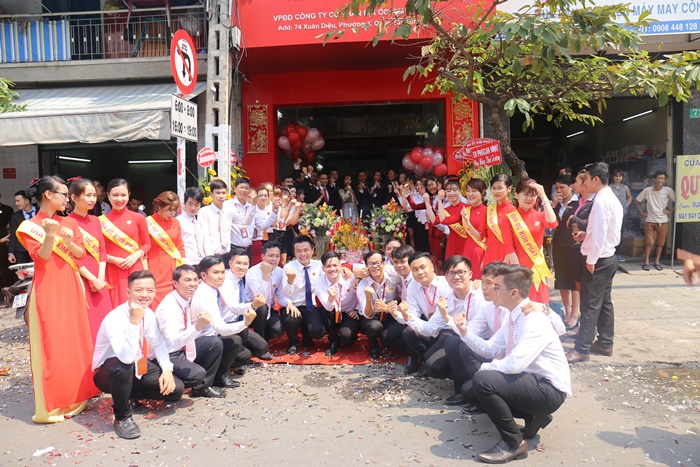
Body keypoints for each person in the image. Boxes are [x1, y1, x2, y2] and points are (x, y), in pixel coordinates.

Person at [452, 264, 571, 463]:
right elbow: (491, 348)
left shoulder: (533, 319)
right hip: (531, 381)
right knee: (472, 389)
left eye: (497, 287)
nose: (492, 290)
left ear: (514, 292)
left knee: (483, 381)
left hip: (549, 390)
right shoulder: (513, 315)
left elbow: (514, 364)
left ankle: (514, 443)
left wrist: (483, 369)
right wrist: (464, 332)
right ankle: (534, 418)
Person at [15, 176, 99, 423]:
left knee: (74, 340)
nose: (66, 199)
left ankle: (77, 396)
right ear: (48, 195)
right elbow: (40, 259)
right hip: (48, 289)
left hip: (71, 285)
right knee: (52, 343)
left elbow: (80, 254)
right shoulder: (30, 226)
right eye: (62, 194)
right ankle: (53, 404)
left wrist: (69, 242)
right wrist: (50, 236)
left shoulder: (69, 222)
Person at [92, 270, 184, 439]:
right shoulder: (115, 318)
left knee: (176, 390)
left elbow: (158, 343)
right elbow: (126, 357)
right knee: (123, 367)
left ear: (155, 292)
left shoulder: (148, 314)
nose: (144, 295)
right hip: (109, 372)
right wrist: (134, 321)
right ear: (128, 292)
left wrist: (167, 370)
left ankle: (129, 395)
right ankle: (122, 417)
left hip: (137, 364)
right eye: (139, 290)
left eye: (150, 290)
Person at [567, 162, 623, 364]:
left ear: (596, 179)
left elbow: (599, 234)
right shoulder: (610, 197)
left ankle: (581, 349)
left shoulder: (600, 201)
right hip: (608, 256)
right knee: (604, 303)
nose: (585, 183)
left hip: (599, 259)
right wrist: (586, 236)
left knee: (589, 305)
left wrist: (591, 260)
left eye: (587, 179)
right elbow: (602, 231)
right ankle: (605, 343)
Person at [155, 265, 225, 399]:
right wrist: (198, 326)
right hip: (170, 353)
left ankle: (202, 388)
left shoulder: (186, 298)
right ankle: (171, 378)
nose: (193, 284)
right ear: (175, 283)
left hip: (185, 346)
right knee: (197, 374)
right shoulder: (168, 308)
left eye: (195, 279)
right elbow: (174, 342)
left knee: (214, 343)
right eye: (187, 280)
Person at [191, 256, 256, 388]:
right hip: (201, 342)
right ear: (203, 275)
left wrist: (252, 306)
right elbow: (221, 328)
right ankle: (205, 384)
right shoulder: (203, 296)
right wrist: (245, 323)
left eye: (222, 272)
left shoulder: (214, 288)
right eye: (216, 273)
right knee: (224, 342)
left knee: (244, 354)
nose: (221, 276)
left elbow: (234, 307)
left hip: (213, 336)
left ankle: (219, 374)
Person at [68, 178, 113, 342]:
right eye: (88, 195)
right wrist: (92, 279)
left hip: (100, 278)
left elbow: (102, 250)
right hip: (82, 278)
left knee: (106, 321)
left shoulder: (96, 220)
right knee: (89, 323)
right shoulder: (67, 223)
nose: (92, 199)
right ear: (74, 197)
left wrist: (100, 278)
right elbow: (72, 257)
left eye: (94, 195)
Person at [396, 251, 452, 375]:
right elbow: (414, 313)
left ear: (432, 266)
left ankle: (432, 361)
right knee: (408, 332)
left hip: (447, 329)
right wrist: (400, 313)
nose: (420, 272)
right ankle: (422, 360)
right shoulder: (413, 286)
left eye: (423, 267)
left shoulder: (447, 283)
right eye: (415, 270)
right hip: (429, 326)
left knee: (434, 365)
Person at [506, 178, 558, 304]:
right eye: (525, 194)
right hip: (516, 268)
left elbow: (552, 223)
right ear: (516, 195)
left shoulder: (540, 216)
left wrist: (543, 195)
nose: (529, 198)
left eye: (533, 195)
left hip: (537, 269)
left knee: (538, 306)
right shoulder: (509, 218)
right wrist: (518, 272)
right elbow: (509, 247)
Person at [101, 179, 151, 307]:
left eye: (123, 195)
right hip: (112, 269)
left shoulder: (139, 218)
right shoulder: (100, 221)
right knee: (115, 306)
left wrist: (136, 255)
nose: (119, 199)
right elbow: (98, 250)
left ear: (129, 195)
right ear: (108, 196)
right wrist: (113, 260)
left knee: (138, 305)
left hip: (135, 266)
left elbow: (147, 244)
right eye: (115, 195)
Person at [219, 248, 271, 361]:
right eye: (238, 263)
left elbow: (257, 298)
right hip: (225, 324)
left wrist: (253, 302)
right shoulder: (224, 280)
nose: (242, 267)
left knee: (263, 347)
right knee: (244, 356)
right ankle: (236, 356)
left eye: (245, 264)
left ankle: (243, 349)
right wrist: (252, 305)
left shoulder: (241, 279)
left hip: (240, 321)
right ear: (230, 263)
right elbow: (233, 308)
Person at [282, 235, 325, 354]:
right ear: (294, 252)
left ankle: (307, 334)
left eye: (306, 250)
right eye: (299, 251)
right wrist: (290, 279)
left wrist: (344, 270)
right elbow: (286, 293)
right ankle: (293, 341)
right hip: (294, 305)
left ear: (312, 250)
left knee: (318, 332)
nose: (303, 254)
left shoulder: (319, 265)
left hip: (311, 306)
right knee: (291, 321)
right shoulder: (288, 267)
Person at [551, 175, 583, 330]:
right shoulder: (556, 204)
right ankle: (568, 311)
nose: (559, 191)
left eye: (562, 187)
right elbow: (550, 222)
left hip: (573, 246)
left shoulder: (579, 203)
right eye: (557, 188)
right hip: (559, 245)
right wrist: (553, 205)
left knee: (574, 281)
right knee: (562, 280)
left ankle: (575, 313)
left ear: (571, 187)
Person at [357, 250, 401, 359]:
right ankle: (373, 346)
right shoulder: (362, 285)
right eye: (371, 264)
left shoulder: (393, 276)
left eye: (377, 263)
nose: (375, 266)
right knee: (374, 327)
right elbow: (368, 315)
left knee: (388, 338)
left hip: (389, 313)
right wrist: (369, 299)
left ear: (384, 263)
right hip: (372, 317)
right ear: (366, 266)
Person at [313, 250, 359, 356]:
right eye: (328, 266)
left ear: (340, 266)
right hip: (331, 311)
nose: (332, 269)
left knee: (347, 338)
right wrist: (331, 297)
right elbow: (328, 307)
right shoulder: (319, 282)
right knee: (324, 310)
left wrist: (357, 310)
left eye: (335, 265)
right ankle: (333, 340)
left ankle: (346, 336)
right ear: (323, 269)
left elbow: (361, 292)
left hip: (349, 312)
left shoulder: (349, 277)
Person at [223, 177, 278, 263]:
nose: (244, 190)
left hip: (247, 249)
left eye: (246, 188)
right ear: (235, 188)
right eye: (241, 187)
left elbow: (263, 226)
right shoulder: (227, 206)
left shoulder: (252, 208)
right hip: (232, 248)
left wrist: (273, 213)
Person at [147, 191, 186, 310]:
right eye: (169, 210)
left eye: (174, 210)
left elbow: (180, 246)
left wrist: (184, 267)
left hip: (173, 268)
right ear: (159, 207)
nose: (172, 214)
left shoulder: (176, 223)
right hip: (154, 268)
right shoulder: (147, 223)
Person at [246, 241, 286, 342]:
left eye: (277, 256)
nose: (274, 259)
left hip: (270, 309)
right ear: (263, 256)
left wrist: (289, 303)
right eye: (271, 256)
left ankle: (258, 339)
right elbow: (260, 298)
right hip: (253, 309)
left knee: (278, 330)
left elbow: (280, 295)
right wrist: (266, 275)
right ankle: (259, 343)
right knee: (262, 307)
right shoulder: (252, 272)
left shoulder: (280, 272)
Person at [636, 170, 676, 271]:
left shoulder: (668, 191)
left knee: (660, 243)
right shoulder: (647, 190)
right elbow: (637, 200)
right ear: (654, 179)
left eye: (662, 178)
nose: (660, 180)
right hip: (650, 220)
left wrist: (670, 211)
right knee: (649, 242)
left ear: (665, 181)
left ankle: (657, 261)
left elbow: (678, 201)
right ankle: (646, 261)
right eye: (658, 178)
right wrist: (642, 212)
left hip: (663, 220)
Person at [429, 178, 470, 261]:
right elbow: (434, 221)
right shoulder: (445, 209)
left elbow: (444, 220)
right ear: (445, 193)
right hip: (452, 242)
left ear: (460, 191)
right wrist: (427, 202)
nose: (452, 193)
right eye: (448, 191)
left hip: (466, 241)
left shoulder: (467, 207)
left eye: (454, 190)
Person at [482, 174, 517, 268]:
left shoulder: (513, 211)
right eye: (493, 188)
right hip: (490, 255)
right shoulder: (490, 210)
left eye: (500, 188)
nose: (496, 191)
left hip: (506, 257)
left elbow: (515, 241)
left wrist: (506, 260)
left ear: (509, 189)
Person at [459, 178, 488, 279]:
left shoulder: (487, 211)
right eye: (468, 191)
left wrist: (467, 222)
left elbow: (480, 237)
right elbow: (446, 219)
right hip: (467, 250)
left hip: (480, 252)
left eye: (474, 191)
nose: (470, 194)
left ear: (482, 192)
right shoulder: (466, 210)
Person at [198, 179, 231, 258]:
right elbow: (204, 236)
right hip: (212, 255)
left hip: (227, 254)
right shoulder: (204, 212)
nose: (221, 196)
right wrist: (209, 256)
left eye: (223, 193)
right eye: (218, 193)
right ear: (211, 194)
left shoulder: (229, 211)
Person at [176, 187, 206, 266]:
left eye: (196, 205)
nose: (193, 208)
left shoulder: (197, 222)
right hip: (187, 262)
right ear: (184, 203)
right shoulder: (178, 221)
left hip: (200, 262)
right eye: (190, 204)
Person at [8, 190, 36, 265]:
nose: (16, 204)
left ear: (27, 201)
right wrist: (11, 253)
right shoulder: (15, 216)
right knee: (22, 271)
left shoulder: (40, 211)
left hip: (38, 249)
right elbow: (13, 235)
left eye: (18, 201)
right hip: (21, 250)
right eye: (15, 201)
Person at [610, 169, 632, 262]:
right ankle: (611, 252)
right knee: (611, 232)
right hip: (612, 214)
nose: (618, 178)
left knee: (620, 233)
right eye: (616, 176)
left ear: (622, 178)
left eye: (620, 176)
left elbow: (630, 197)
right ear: (613, 177)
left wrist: (626, 205)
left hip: (623, 214)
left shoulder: (625, 187)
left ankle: (618, 253)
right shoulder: (609, 188)